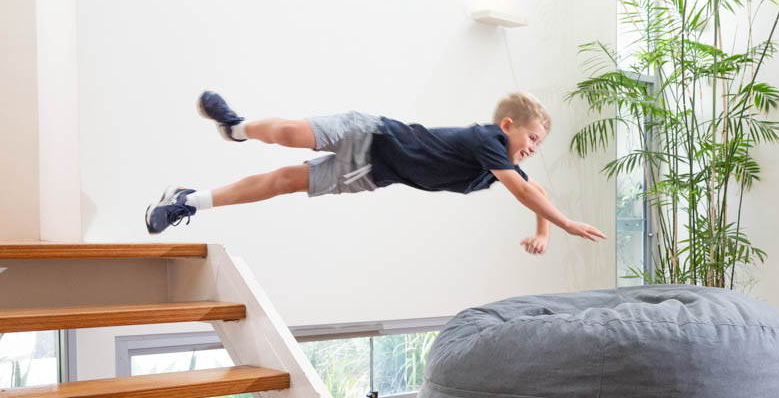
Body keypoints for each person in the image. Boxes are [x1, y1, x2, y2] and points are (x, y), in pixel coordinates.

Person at [145, 91, 606, 254]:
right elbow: (526, 192)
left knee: (284, 182)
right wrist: (563, 223)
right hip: (374, 135)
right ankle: (237, 127)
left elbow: (535, 190)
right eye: (533, 140)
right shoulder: (488, 141)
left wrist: (543, 233)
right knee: (287, 132)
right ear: (508, 127)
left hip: (371, 171)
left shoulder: (497, 167)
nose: (533, 150)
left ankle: (186, 201)